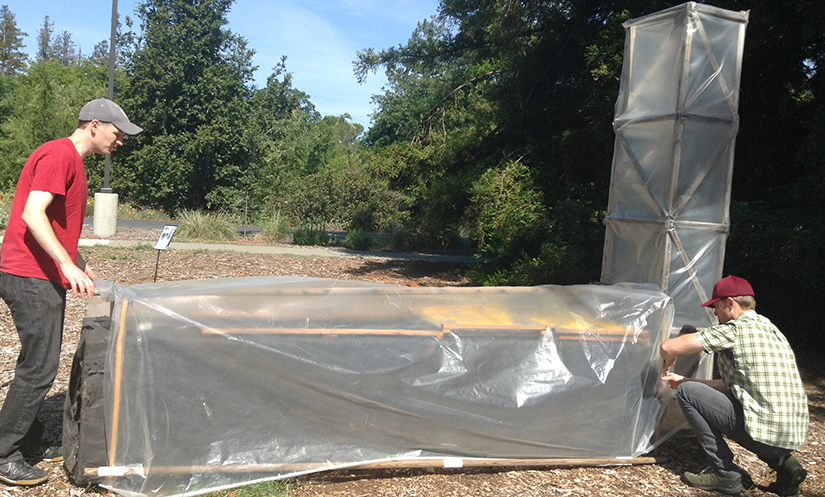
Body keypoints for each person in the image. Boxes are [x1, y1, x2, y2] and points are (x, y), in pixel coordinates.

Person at [0, 98, 142, 486]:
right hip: (29, 275)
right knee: (40, 367)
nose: (120, 141)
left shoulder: (71, 161)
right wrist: (64, 265)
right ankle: (3, 453)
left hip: (41, 274)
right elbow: (33, 213)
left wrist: (76, 261)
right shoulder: (59, 155)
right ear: (95, 125)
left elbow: (58, 224)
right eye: (117, 132)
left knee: (36, 361)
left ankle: (25, 440)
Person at [660, 275, 809, 496]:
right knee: (689, 387)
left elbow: (667, 346)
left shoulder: (735, 330)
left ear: (731, 303)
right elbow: (735, 386)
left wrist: (669, 359)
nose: (714, 313)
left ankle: (725, 474)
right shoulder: (771, 330)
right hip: (792, 435)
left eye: (716, 307)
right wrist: (687, 379)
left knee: (687, 393)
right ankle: (786, 464)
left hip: (766, 436)